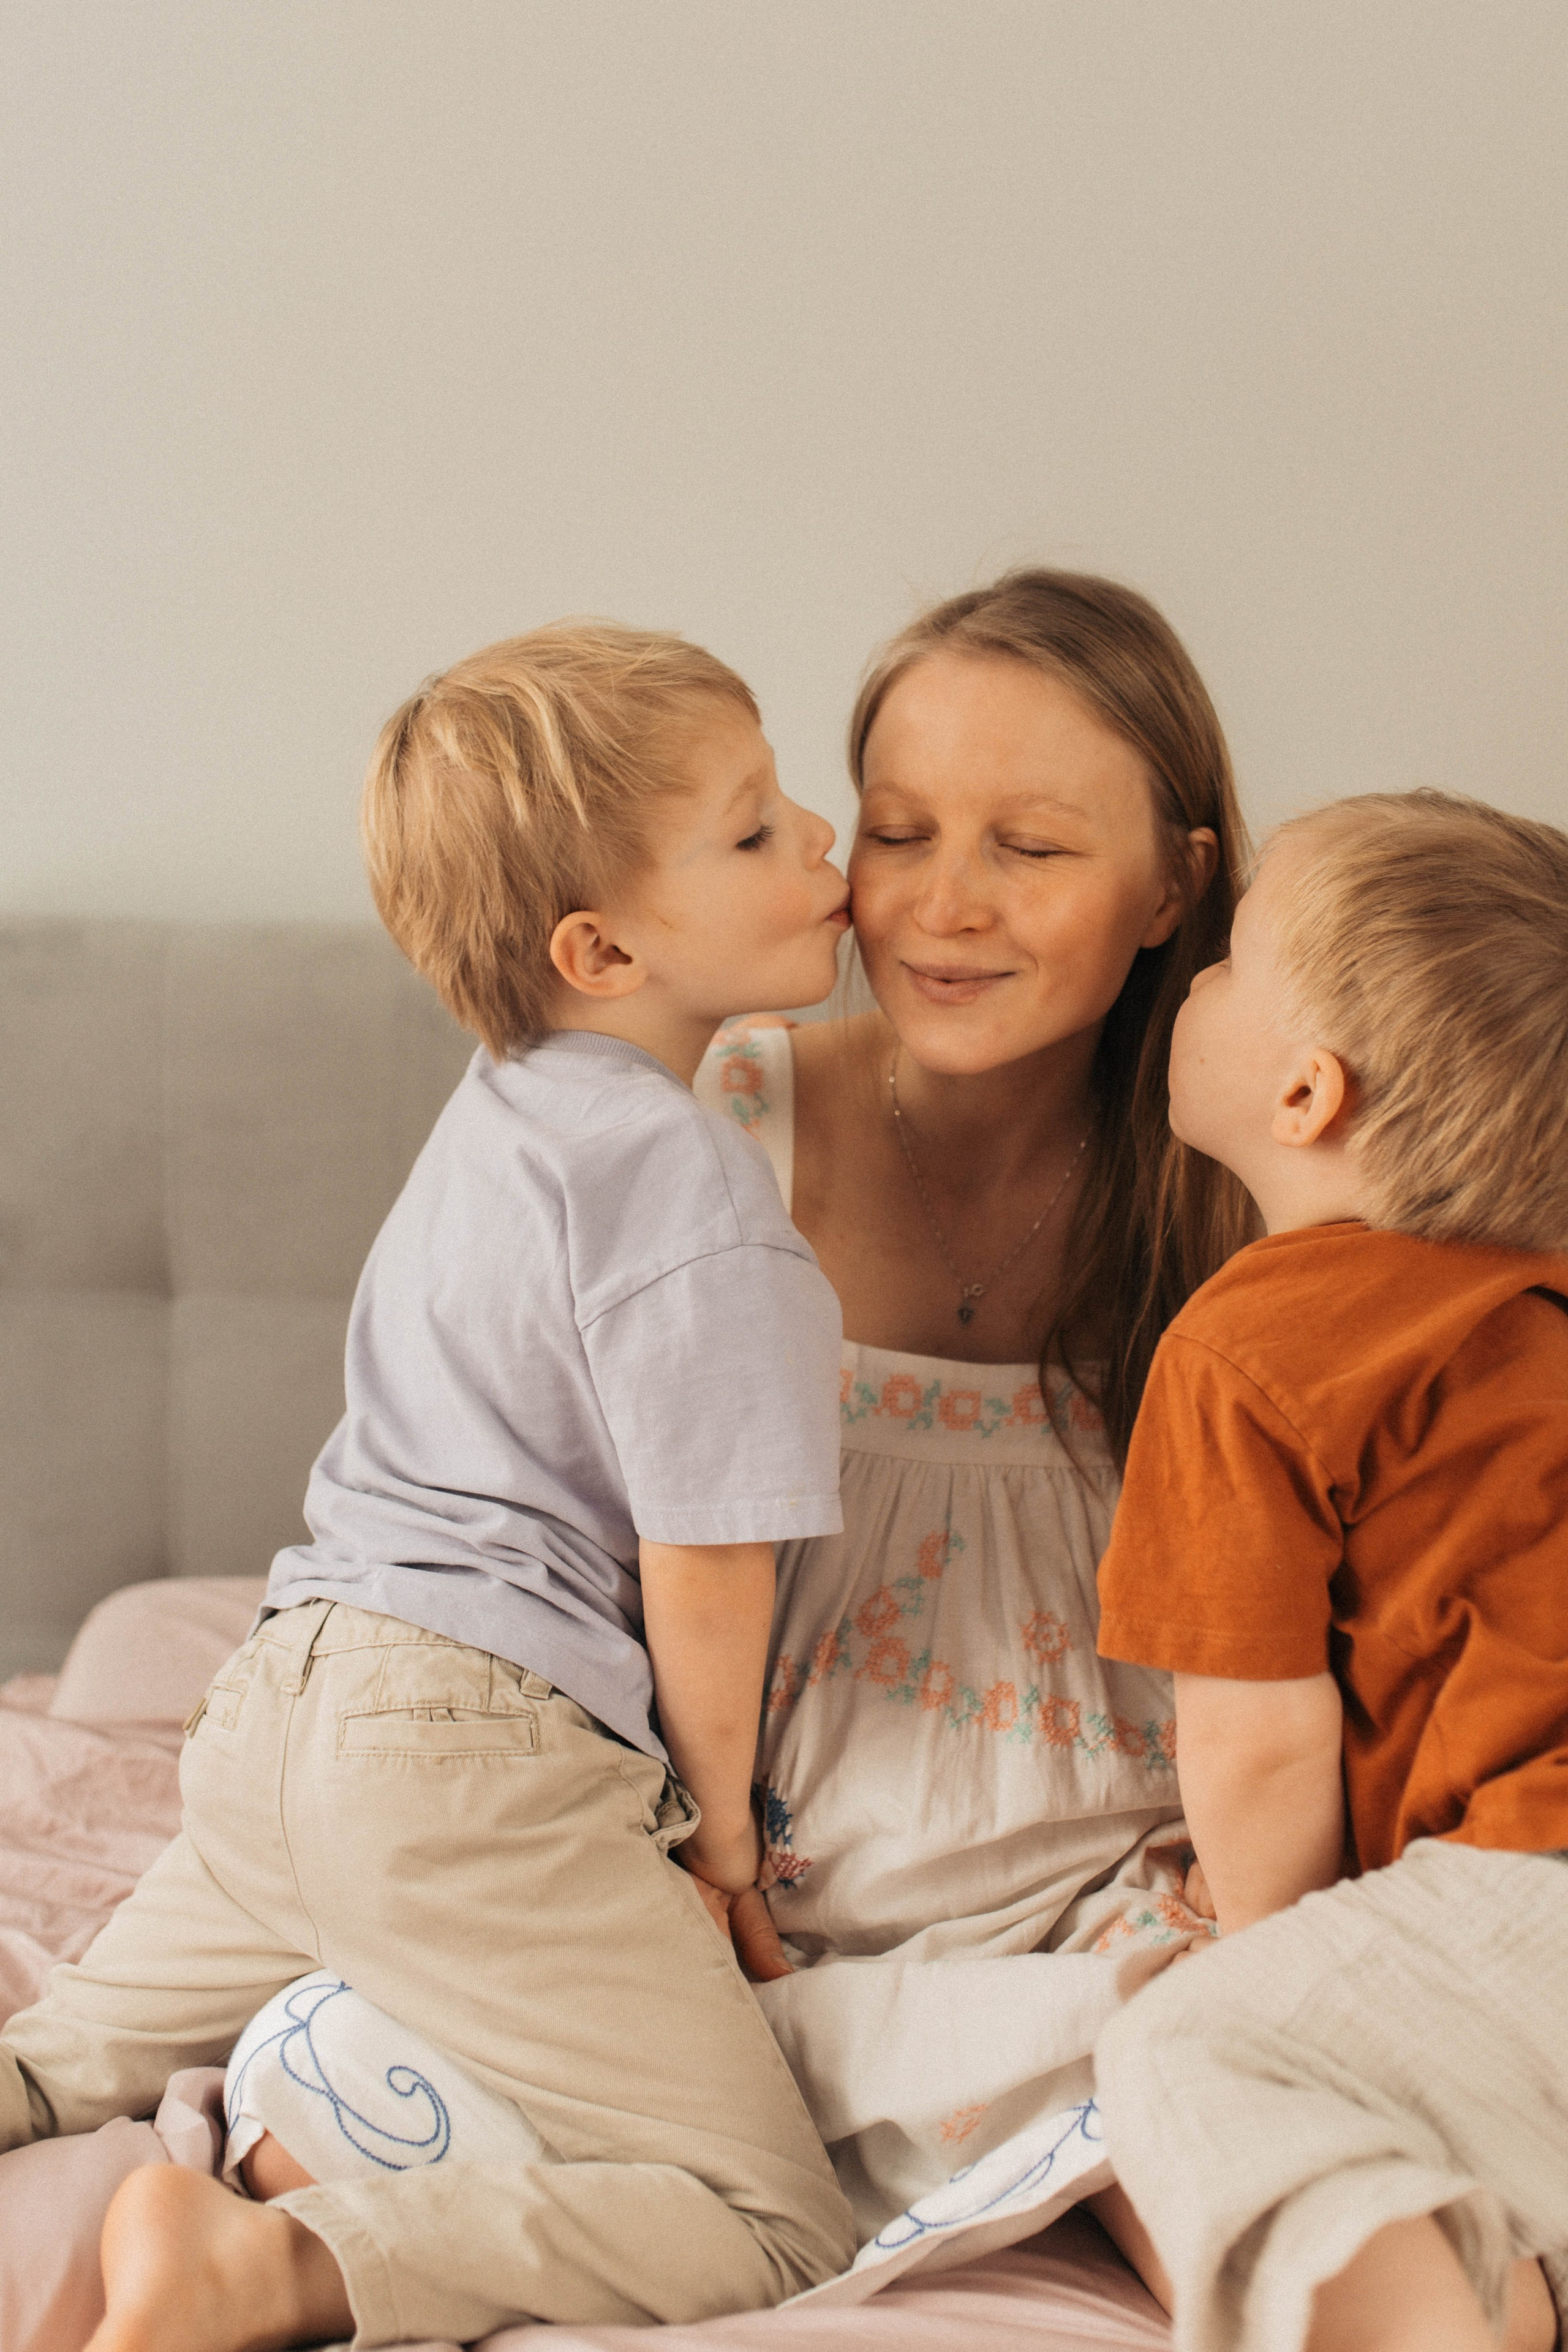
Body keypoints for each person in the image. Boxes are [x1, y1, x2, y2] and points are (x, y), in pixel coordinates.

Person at [217, 570, 1256, 2286]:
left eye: (1037, 849)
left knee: (1257, 2167)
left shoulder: (1225, 1194)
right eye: (902, 830)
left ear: (1176, 886)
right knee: (328, 2104)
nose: (938, 903)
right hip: (725, 1886)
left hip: (1083, 1883)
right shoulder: (701, 1123)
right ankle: (305, 2267)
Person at [4, 622, 860, 2352]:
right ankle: (278, 2267)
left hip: (276, 1712)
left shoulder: (497, 1114)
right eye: (760, 829)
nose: (826, 842)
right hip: (471, 1764)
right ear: (604, 943)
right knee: (773, 2226)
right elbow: (705, 1568)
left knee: (57, 2057)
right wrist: (718, 1841)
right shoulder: (694, 1196)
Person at [1093, 790, 1568, 2352]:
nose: (1192, 985)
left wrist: (1259, 1937)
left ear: (1306, 1094)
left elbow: (1250, 1732)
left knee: (1191, 2054)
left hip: (1525, 1872)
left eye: (1225, 957)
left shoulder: (1251, 1342)